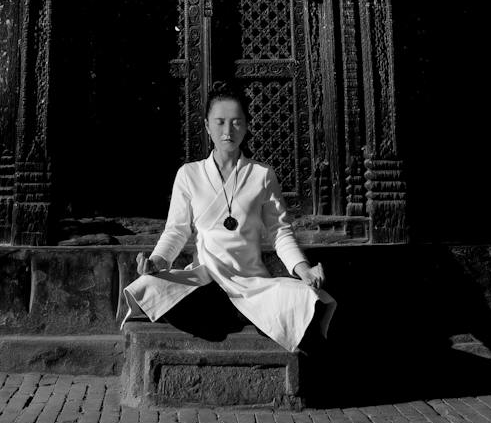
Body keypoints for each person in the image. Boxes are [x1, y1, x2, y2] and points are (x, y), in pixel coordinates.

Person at [121, 86, 334, 353]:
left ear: (246, 126)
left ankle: (240, 312)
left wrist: (304, 270)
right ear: (207, 126)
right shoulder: (189, 175)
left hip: (252, 282)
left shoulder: (262, 175)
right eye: (220, 122)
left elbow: (280, 231)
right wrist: (156, 262)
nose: (228, 130)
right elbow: (175, 232)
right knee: (147, 287)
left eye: (236, 122)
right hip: (206, 279)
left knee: (307, 297)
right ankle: (243, 315)